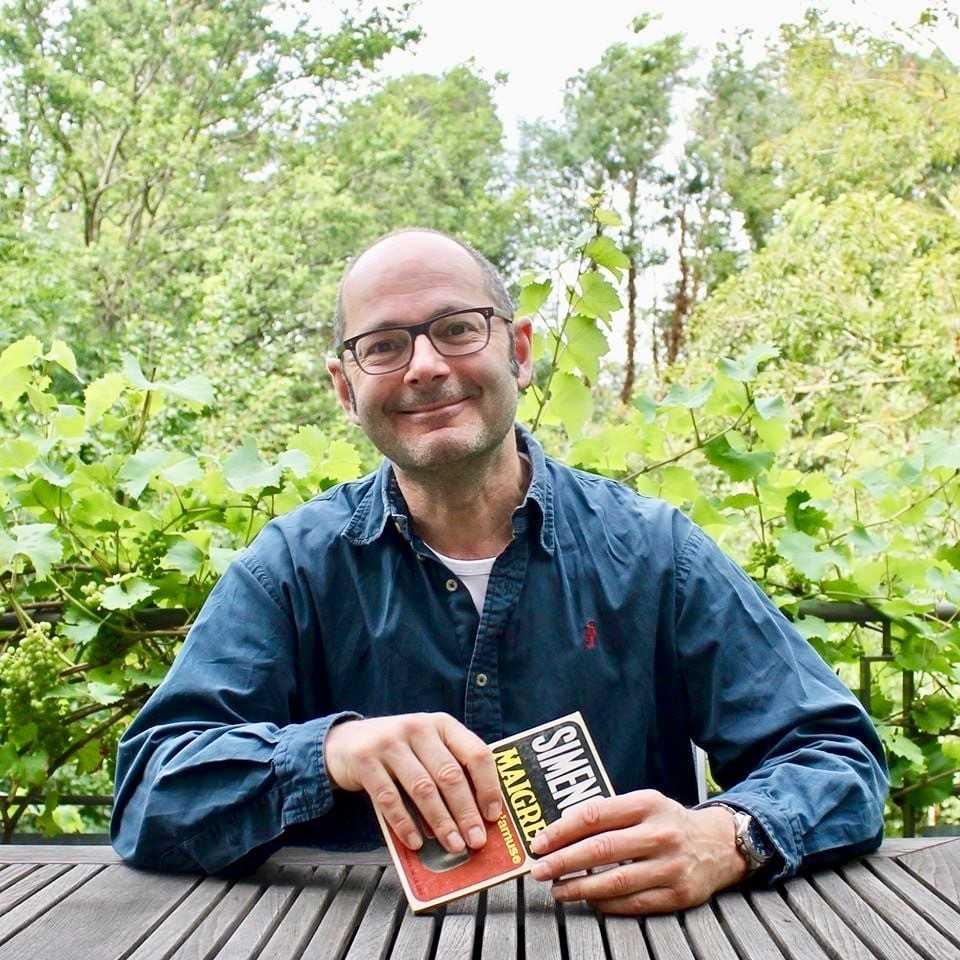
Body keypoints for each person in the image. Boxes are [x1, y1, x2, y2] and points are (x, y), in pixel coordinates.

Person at [110, 227, 889, 915]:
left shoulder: (657, 554)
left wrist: (729, 837)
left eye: (457, 329)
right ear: (345, 388)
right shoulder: (291, 569)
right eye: (384, 345)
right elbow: (150, 794)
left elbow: (836, 754)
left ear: (518, 351)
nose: (424, 367)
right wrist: (328, 753)